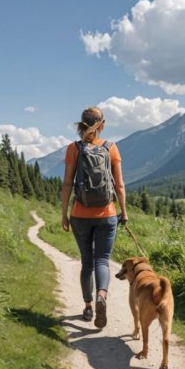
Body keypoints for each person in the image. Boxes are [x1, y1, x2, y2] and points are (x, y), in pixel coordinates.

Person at [61, 106, 128, 329]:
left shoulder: (74, 149)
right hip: (107, 214)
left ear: (82, 124)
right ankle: (102, 295)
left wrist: (64, 214)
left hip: (80, 214)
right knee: (102, 260)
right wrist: (124, 212)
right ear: (102, 125)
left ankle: (88, 306)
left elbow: (68, 184)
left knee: (87, 262)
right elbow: (119, 185)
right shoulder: (111, 148)